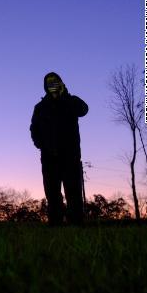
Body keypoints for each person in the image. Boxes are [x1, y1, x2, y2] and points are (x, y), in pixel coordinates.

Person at [30, 72, 89, 226]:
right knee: (52, 195)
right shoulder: (40, 107)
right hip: (49, 158)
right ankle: (55, 226)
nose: (52, 84)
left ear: (61, 83)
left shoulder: (71, 100)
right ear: (45, 86)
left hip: (71, 157)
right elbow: (34, 128)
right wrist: (40, 144)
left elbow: (84, 110)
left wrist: (65, 97)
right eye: (49, 82)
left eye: (55, 81)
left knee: (74, 193)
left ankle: (77, 226)